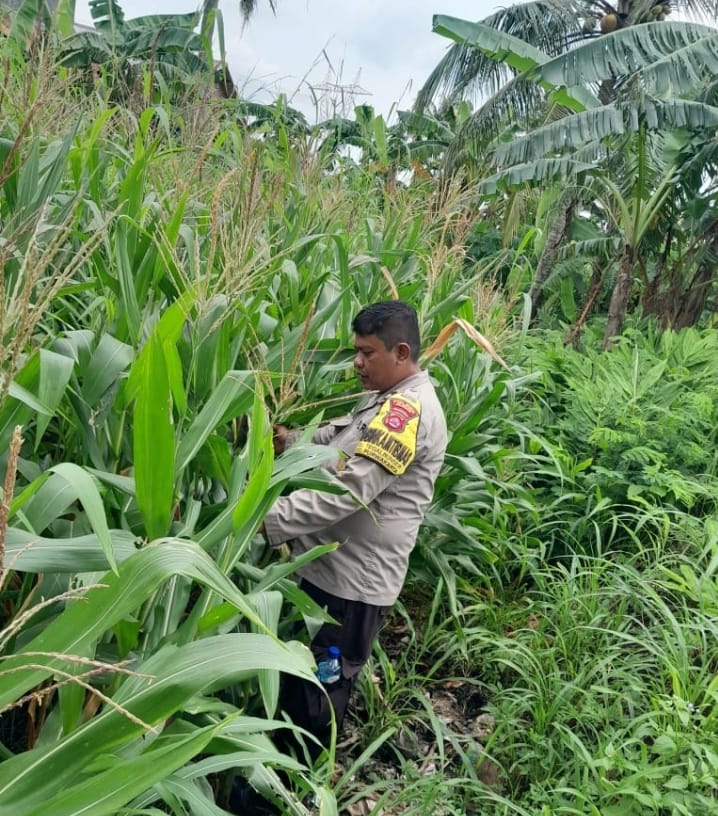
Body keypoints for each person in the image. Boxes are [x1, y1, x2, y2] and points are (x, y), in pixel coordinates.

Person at [263, 300, 448, 758]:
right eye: (356, 352)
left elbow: (348, 492)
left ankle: (295, 784)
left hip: (351, 587)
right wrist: (289, 440)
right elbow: (338, 438)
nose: (357, 363)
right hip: (330, 572)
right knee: (297, 683)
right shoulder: (383, 398)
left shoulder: (407, 412)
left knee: (314, 698)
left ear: (401, 352)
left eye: (367, 353)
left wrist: (264, 520)